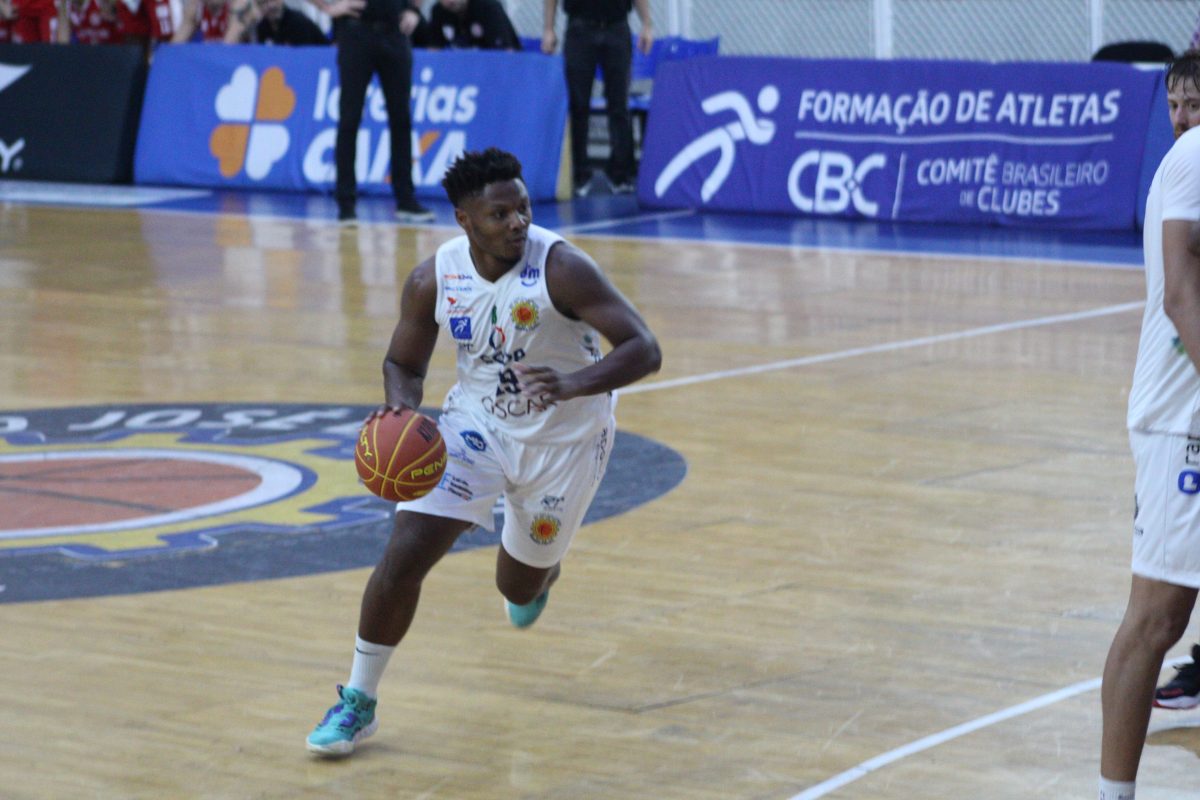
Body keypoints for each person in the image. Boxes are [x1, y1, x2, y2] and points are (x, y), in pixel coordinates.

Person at [305, 147, 662, 757]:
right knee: (405, 553)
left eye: (523, 208)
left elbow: (644, 348)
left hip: (565, 443)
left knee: (518, 589)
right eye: (500, 214)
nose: (518, 222)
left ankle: (540, 573)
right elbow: (403, 363)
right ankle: (358, 701)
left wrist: (571, 383)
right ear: (464, 220)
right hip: (476, 428)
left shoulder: (562, 269)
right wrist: (400, 409)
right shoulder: (433, 279)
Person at [1099, 50, 1200, 800]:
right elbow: (1180, 294)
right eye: (1175, 104)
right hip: (1183, 424)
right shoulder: (1194, 156)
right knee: (1156, 619)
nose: (1181, 118)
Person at [303, 0, 433, 223]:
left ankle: (405, 199)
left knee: (401, 119)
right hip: (356, 31)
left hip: (394, 31)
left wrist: (414, 10)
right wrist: (328, 8)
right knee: (349, 118)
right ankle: (346, 203)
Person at [541, 0, 652, 197]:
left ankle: (620, 174)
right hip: (580, 27)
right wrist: (549, 28)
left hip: (617, 26)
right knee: (578, 105)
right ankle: (579, 173)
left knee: (619, 104)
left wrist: (647, 24)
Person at [426, 0, 518, 50]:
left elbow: (506, 53)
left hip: (491, 69)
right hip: (459, 70)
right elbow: (433, 49)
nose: (450, 1)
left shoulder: (488, 8)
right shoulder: (438, 11)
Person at [224, 0, 328, 44]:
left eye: (274, 0)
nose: (271, 6)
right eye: (264, 2)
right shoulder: (262, 27)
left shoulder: (298, 22)